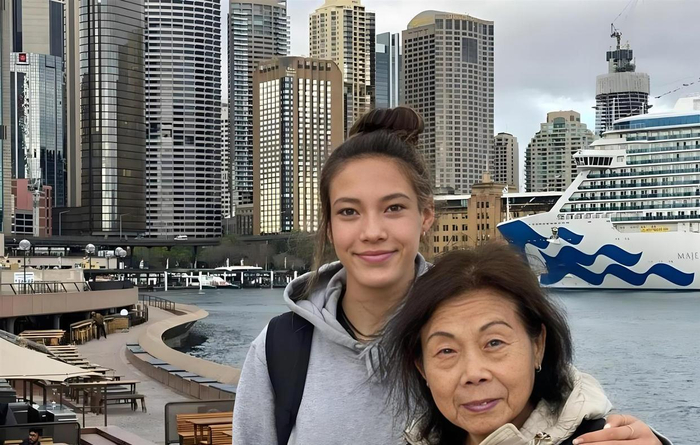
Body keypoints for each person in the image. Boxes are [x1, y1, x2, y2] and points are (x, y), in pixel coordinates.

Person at [231, 106, 666, 445]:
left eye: (393, 208)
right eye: (349, 212)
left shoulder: (475, 310)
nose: (372, 231)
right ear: (329, 226)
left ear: (426, 216)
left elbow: (562, 407)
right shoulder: (282, 348)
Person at [382, 244, 670, 445]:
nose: (473, 373)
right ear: (422, 368)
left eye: (494, 342)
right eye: (446, 351)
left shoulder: (602, 440)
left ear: (538, 345)